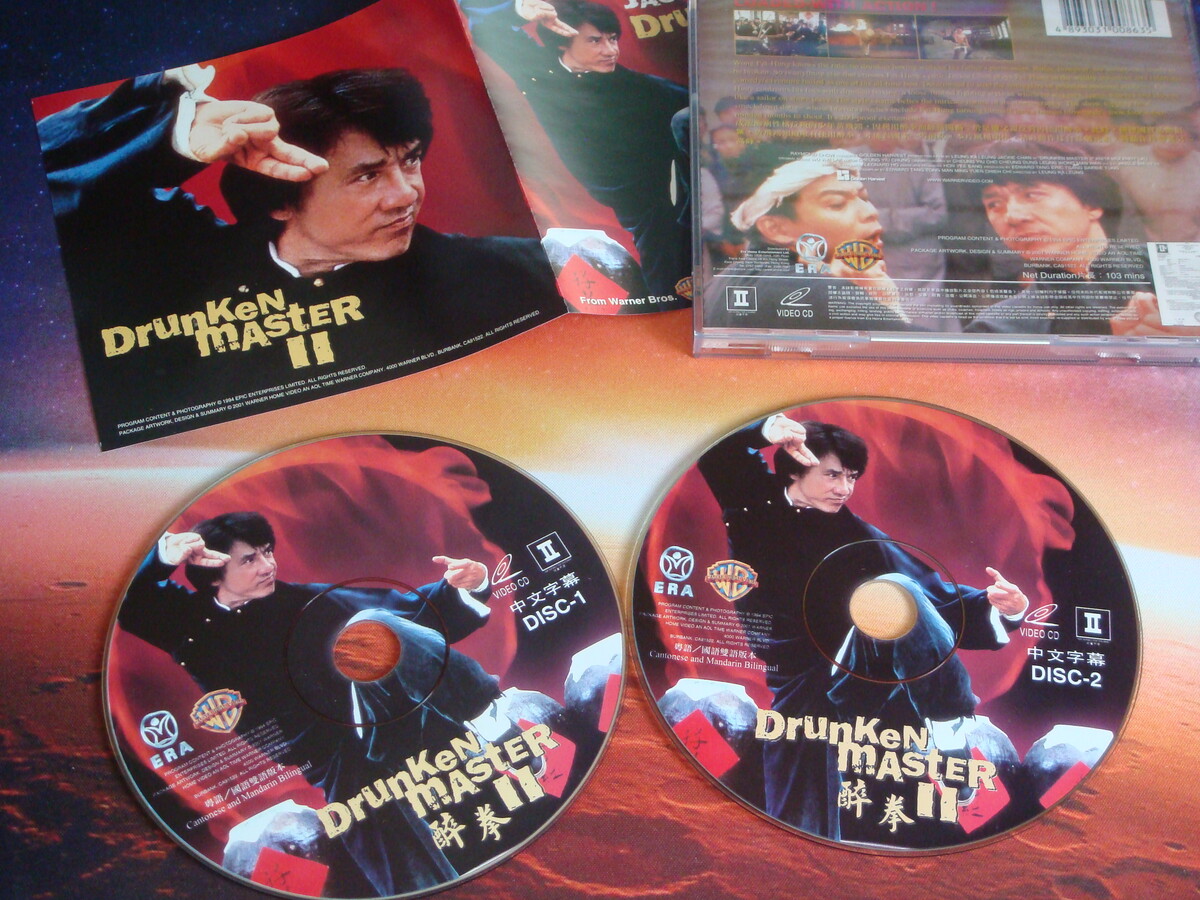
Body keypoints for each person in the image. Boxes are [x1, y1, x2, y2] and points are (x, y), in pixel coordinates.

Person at [39, 66, 563, 445]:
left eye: (410, 161)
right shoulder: (170, 260)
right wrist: (168, 141)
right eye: (367, 176)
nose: (406, 194)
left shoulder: (511, 269)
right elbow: (37, 193)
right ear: (282, 199)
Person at [119, 511, 500, 894]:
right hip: (329, 758)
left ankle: (489, 712)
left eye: (267, 551)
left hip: (383, 721)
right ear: (214, 573)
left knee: (376, 624)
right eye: (249, 559)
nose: (267, 566)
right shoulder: (186, 622)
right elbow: (130, 605)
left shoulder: (309, 601)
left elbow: (412, 614)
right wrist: (164, 557)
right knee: (378, 831)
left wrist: (468, 585)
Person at [697, 416, 1028, 841]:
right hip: (798, 691)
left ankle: (948, 736)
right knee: (794, 834)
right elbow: (718, 453)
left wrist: (1002, 608)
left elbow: (934, 599)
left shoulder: (861, 538)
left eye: (851, 477)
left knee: (897, 591)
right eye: (833, 475)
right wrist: (766, 430)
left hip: (859, 676)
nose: (844, 488)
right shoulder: (751, 503)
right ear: (796, 467)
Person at [458, 0, 691, 302]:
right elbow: (486, 26)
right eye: (595, 41)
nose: (610, 50)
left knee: (667, 251)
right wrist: (518, 11)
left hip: (655, 193)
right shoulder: (537, 69)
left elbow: (697, 110)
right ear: (562, 40)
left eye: (612, 39)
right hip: (614, 192)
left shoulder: (640, 86)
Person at [965, 142, 1165, 335]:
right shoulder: (997, 329)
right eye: (994, 204)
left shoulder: (1169, 266)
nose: (1012, 216)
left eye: (1031, 195)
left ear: (1091, 203)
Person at [706, 148, 917, 330]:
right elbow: (914, 355)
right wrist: (887, 303)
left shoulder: (721, 281)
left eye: (864, 198)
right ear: (775, 228)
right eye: (837, 204)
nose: (871, 212)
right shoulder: (820, 292)